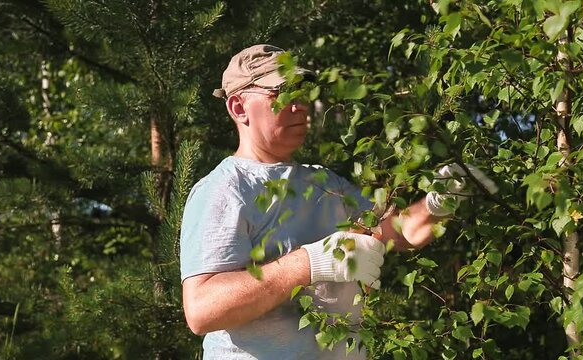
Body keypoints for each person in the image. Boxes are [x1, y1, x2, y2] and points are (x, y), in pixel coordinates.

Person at [179, 44, 498, 359]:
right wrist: (308, 263)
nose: (300, 105)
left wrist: (439, 202)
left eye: (302, 93)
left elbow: (393, 232)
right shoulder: (225, 189)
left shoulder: (323, 183)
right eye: (281, 93)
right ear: (238, 107)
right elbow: (202, 310)